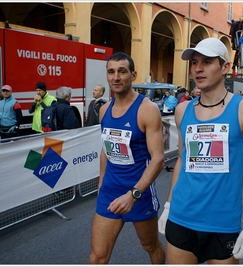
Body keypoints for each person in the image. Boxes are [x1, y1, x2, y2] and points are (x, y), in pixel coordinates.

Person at [157, 37, 243, 264]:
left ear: (225, 67)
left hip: (222, 225)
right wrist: (169, 204)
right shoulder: (182, 110)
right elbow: (182, 160)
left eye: (207, 62)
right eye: (194, 62)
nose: (198, 68)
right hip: (181, 218)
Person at [89, 52, 166, 264]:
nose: (116, 77)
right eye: (111, 72)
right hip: (110, 191)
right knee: (97, 257)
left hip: (138, 192)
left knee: (150, 246)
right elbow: (106, 149)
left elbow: (158, 159)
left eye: (122, 71)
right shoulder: (104, 110)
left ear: (133, 75)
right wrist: (101, 182)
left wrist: (133, 194)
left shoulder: (147, 110)